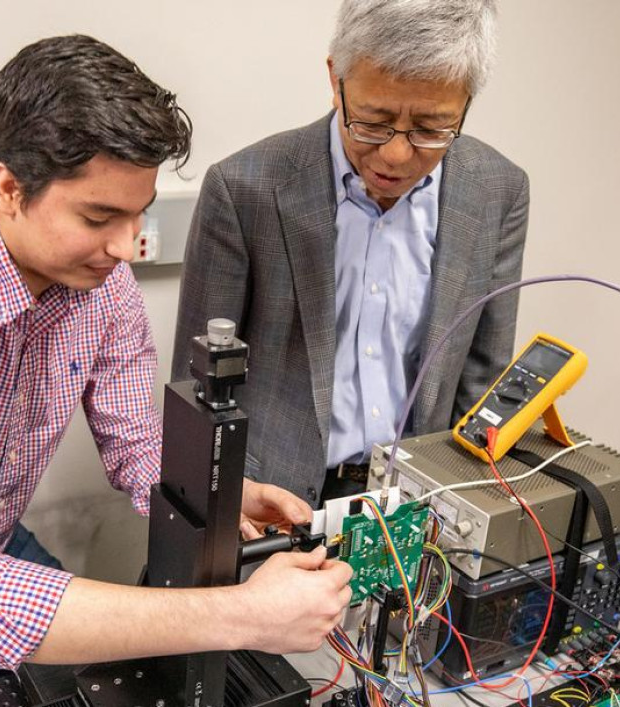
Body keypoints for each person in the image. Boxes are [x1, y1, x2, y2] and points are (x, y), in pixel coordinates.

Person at [0, 35, 352, 707]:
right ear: (9, 187)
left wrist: (226, 493)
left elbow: (139, 446)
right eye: (100, 216)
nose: (124, 245)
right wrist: (244, 613)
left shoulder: (100, 283)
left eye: (138, 213)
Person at [173, 0, 529, 506]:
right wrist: (221, 503)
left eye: (430, 129)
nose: (396, 155)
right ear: (335, 78)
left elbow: (482, 376)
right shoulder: (245, 188)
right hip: (270, 498)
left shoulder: (497, 191)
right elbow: (196, 388)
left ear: (467, 102)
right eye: (373, 121)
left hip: (414, 498)